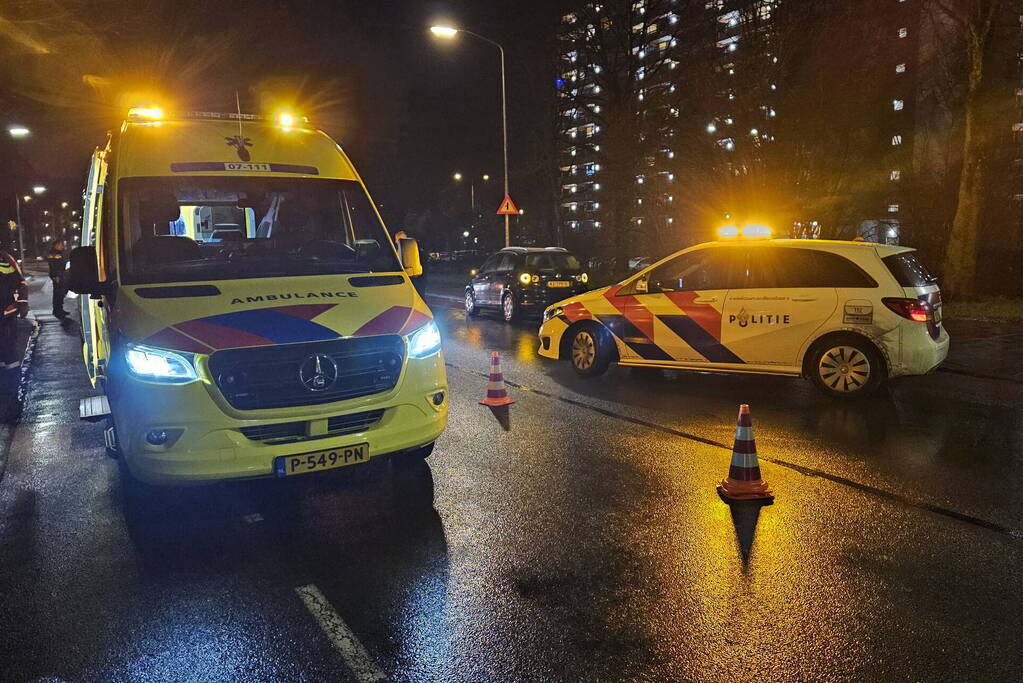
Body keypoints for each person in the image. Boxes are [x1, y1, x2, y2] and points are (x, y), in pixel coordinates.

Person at [0, 242, 29, 400]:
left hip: (6, 313)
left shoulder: (6, 258)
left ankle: (12, 390)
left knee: (8, 349)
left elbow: (21, 282)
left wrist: (22, 304)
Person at [47, 239, 69, 318]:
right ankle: (57, 310)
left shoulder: (58, 253)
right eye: (60, 244)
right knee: (58, 293)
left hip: (60, 275)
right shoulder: (54, 253)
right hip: (57, 275)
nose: (62, 246)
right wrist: (56, 275)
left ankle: (59, 309)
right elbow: (54, 265)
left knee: (60, 292)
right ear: (56, 245)